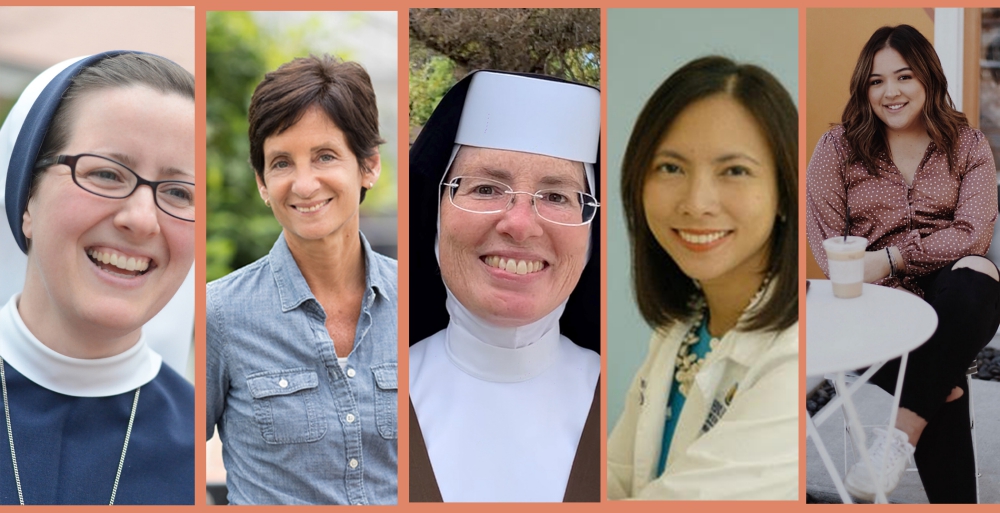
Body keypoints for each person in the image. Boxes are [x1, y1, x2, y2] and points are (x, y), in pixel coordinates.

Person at [807, 25, 1000, 503]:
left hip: (950, 291)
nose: (890, 92)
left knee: (976, 277)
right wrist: (876, 271)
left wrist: (893, 257)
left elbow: (973, 234)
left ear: (929, 80)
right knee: (944, 382)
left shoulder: (968, 146)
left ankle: (894, 438)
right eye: (876, 81)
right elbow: (835, 253)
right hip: (875, 303)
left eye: (904, 77)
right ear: (864, 88)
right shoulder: (837, 151)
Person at [0, 51, 195, 504]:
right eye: (106, 173)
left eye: (179, 192)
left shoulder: (210, 448)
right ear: (26, 198)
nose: (143, 220)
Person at [206, 55, 397, 505]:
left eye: (325, 156)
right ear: (261, 183)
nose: (304, 184)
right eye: (281, 163)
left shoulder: (423, 301)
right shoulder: (221, 313)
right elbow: (170, 460)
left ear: (368, 166)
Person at [608, 56, 799, 500]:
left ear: (784, 194)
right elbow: (615, 475)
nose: (697, 203)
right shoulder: (683, 328)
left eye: (735, 171)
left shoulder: (793, 356)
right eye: (671, 168)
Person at [408, 71, 601, 502]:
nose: (519, 225)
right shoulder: (371, 388)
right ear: (434, 215)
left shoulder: (638, 405)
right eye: (486, 188)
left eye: (556, 196)